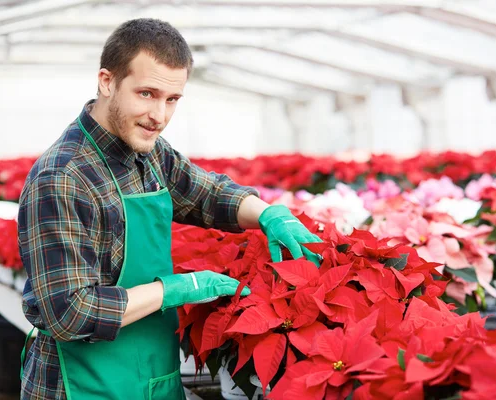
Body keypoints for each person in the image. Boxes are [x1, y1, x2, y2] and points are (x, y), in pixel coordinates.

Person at [18, 18, 321, 400]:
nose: (159, 116)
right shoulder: (63, 176)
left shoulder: (149, 152)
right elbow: (69, 313)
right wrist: (176, 289)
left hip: (151, 375)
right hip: (79, 382)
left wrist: (267, 214)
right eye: (147, 93)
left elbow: (207, 193)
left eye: (172, 99)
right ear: (107, 82)